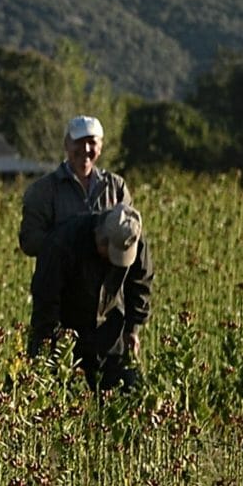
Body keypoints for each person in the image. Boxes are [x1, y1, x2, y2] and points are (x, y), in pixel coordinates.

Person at [30, 201, 152, 393]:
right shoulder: (62, 242)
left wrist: (132, 328)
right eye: (111, 253)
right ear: (100, 238)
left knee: (131, 394)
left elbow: (140, 283)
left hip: (111, 331)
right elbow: (46, 298)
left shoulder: (131, 237)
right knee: (56, 399)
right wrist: (53, 342)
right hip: (65, 331)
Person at [19, 115, 129, 259]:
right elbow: (29, 241)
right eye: (78, 142)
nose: (85, 148)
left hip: (104, 279)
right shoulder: (43, 190)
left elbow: (130, 232)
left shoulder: (116, 186)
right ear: (66, 145)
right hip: (60, 279)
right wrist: (70, 242)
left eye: (92, 142)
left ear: (100, 147)